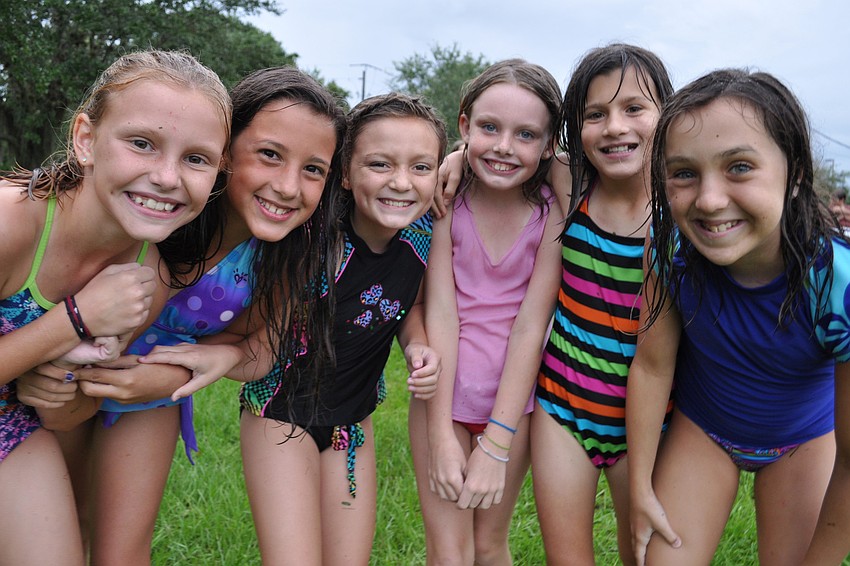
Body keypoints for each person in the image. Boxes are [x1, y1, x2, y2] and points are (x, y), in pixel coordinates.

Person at [18, 66, 344, 565]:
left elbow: (259, 350)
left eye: (313, 169)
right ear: (225, 153)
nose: (287, 185)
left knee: (119, 549)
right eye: (270, 155)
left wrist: (186, 370)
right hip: (64, 372)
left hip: (147, 395)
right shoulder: (159, 213)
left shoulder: (286, 254)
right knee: (59, 520)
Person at [0, 49, 229, 565]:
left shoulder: (147, 273)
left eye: (196, 158)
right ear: (86, 140)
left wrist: (58, 393)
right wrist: (74, 319)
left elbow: (75, 413)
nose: (168, 177)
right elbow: (70, 325)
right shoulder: (11, 224)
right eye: (142, 144)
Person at [210, 92, 446, 565]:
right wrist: (213, 356)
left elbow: (412, 302)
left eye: (421, 168)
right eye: (380, 164)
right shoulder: (316, 244)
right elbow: (257, 337)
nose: (401, 182)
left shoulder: (423, 237)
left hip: (353, 426)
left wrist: (418, 343)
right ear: (345, 171)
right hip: (280, 415)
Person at [627, 69, 850, 565]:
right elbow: (651, 365)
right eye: (684, 172)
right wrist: (640, 487)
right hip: (702, 432)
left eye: (740, 167)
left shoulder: (838, 283)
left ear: (793, 173)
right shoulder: (670, 247)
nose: (709, 200)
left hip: (804, 445)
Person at [411, 58, 563, 566]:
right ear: (464, 126)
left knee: (489, 544)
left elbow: (529, 328)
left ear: (547, 146)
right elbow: (443, 316)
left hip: (514, 406)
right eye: (488, 128)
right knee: (449, 551)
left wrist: (496, 445)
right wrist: (440, 435)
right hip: (442, 400)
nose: (502, 146)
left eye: (525, 134)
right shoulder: (445, 201)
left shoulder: (552, 213)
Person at [532, 44, 673, 566]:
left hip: (650, 425)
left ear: (667, 114)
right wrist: (455, 159)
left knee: (642, 553)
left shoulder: (677, 217)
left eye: (634, 108)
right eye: (595, 114)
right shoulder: (573, 183)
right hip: (562, 409)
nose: (614, 126)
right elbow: (513, 152)